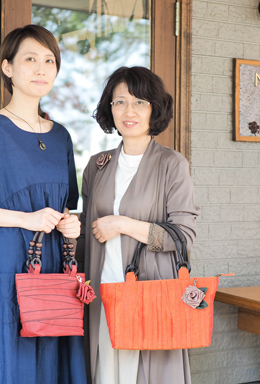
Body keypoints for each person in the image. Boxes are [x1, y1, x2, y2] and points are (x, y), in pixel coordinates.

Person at [0, 25, 85, 384]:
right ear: (8, 68)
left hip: (53, 272)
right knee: (10, 366)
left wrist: (72, 224)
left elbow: (66, 204)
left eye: (49, 61)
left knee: (53, 365)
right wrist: (25, 218)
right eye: (30, 59)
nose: (41, 69)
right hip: (5, 268)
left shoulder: (60, 136)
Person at [77, 66, 200, 384]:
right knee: (106, 373)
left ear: (154, 109)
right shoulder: (97, 165)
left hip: (148, 296)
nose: (128, 111)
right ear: (109, 108)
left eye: (139, 102)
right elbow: (86, 228)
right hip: (103, 293)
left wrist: (122, 223)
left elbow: (183, 236)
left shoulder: (172, 164)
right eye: (119, 102)